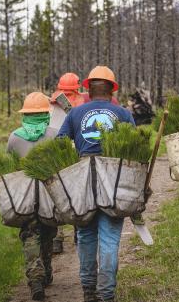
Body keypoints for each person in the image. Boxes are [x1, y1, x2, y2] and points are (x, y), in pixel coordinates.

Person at [58, 66, 135, 302]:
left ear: (88, 90)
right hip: (114, 182)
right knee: (110, 238)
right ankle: (106, 293)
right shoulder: (123, 114)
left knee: (86, 236)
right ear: (112, 90)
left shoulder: (75, 114)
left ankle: (89, 290)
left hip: (83, 182)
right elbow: (135, 149)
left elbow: (60, 144)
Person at [6, 92, 59, 301]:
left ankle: (35, 278)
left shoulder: (14, 137)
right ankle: (45, 270)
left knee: (29, 233)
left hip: (24, 195)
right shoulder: (55, 134)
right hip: (49, 196)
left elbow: (9, 167)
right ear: (47, 114)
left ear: (25, 114)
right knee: (48, 231)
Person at [49, 72, 85, 254]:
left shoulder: (50, 105)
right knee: (77, 191)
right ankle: (79, 231)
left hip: (56, 151)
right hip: (76, 151)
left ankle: (57, 237)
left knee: (56, 192)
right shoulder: (81, 104)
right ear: (77, 88)